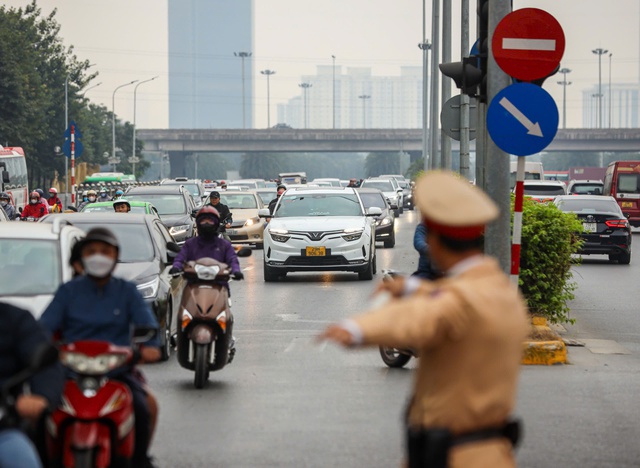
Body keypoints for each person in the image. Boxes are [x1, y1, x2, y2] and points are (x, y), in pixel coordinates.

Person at [319, 170, 529, 468]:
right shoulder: (502, 293)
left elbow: (422, 316)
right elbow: (452, 297)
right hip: (490, 452)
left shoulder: (458, 301)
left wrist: (357, 329)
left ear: (435, 241)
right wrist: (414, 286)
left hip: (455, 457)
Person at [40, 228, 161, 468]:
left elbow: (147, 325)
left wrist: (150, 347)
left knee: (146, 405)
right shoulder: (68, 292)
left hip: (117, 371)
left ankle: (139, 460)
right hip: (70, 372)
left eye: (105, 252)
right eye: (91, 251)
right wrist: (38, 348)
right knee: (38, 409)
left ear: (115, 257)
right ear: (82, 257)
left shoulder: (127, 292)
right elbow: (44, 327)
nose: (98, 256)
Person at [169, 206, 243, 351]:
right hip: (193, 286)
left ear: (216, 223)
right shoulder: (190, 244)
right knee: (183, 312)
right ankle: (180, 336)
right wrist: (176, 266)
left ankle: (227, 337)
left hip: (219, 286)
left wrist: (236, 271)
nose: (207, 223)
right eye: (204, 220)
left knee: (227, 314)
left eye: (210, 220)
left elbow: (233, 259)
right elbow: (180, 257)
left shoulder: (224, 245)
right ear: (198, 223)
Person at [0, 302, 64, 468]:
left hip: (4, 427)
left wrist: (42, 395)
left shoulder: (14, 318)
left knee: (20, 460)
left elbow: (45, 359)